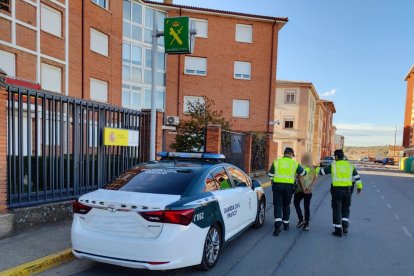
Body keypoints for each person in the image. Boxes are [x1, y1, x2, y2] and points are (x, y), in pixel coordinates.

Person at [319, 149, 363, 237]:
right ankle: (345, 227)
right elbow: (357, 177)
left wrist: (316, 169)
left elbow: (322, 172)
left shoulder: (334, 165)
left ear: (336, 157)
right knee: (346, 208)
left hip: (337, 191)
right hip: (348, 191)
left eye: (334, 156)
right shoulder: (350, 165)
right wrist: (359, 187)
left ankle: (338, 230)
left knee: (337, 209)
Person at [268, 147, 307, 236]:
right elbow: (303, 173)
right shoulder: (294, 163)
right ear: (290, 154)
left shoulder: (276, 162)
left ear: (284, 153)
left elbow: (270, 175)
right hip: (289, 188)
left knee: (278, 206)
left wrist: (273, 180)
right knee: (286, 206)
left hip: (277, 186)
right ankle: (286, 225)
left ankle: (277, 227)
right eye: (292, 155)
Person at [294, 153, 319, 231]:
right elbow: (315, 179)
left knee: (296, 203)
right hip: (309, 191)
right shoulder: (314, 168)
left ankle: (301, 220)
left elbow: (299, 177)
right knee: (306, 207)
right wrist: (309, 187)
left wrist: (303, 187)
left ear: (303, 159)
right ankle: (306, 224)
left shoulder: (300, 167)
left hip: (299, 190)